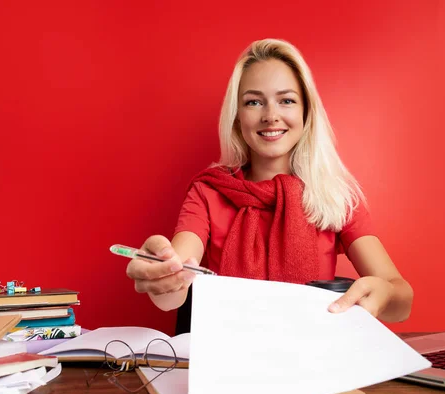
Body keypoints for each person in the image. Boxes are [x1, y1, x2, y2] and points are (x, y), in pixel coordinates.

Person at [126, 38, 413, 323]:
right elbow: (175, 286)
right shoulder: (208, 192)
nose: (271, 116)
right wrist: (162, 276)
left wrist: (384, 295)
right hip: (228, 356)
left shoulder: (336, 194)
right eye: (254, 102)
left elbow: (402, 302)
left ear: (306, 112)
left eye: (286, 100)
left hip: (313, 359)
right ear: (237, 117)